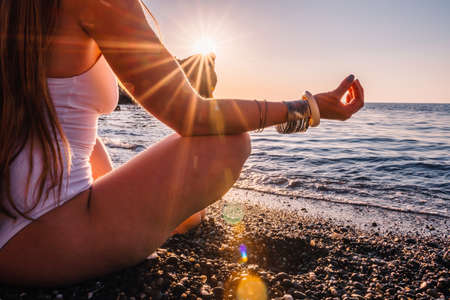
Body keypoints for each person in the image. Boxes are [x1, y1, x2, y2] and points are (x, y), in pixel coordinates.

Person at [0, 0, 364, 286]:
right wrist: (308, 108)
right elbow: (195, 115)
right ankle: (136, 237)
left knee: (94, 144)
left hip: (13, 215)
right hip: (44, 240)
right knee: (227, 145)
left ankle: (154, 224)